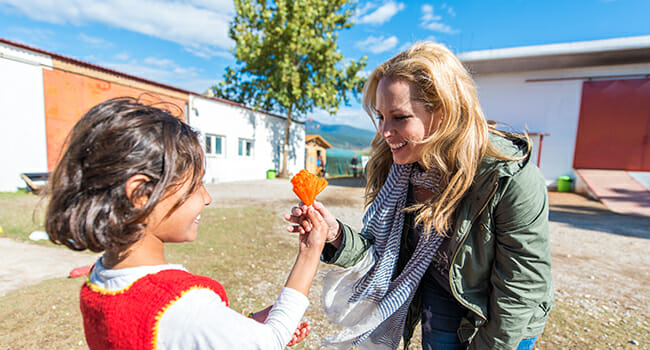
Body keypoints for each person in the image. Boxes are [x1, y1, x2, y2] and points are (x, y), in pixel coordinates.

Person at [286, 42, 553, 350]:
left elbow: (520, 287)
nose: (385, 132)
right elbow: (383, 257)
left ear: (444, 112)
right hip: (439, 294)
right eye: (381, 117)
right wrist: (334, 234)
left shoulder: (508, 176)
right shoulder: (397, 167)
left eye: (399, 117)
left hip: (502, 316)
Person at [45, 97, 328, 349]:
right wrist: (309, 252)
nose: (207, 198)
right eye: (196, 184)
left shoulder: (100, 278)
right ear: (141, 194)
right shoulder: (181, 306)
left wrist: (246, 324)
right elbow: (270, 342)